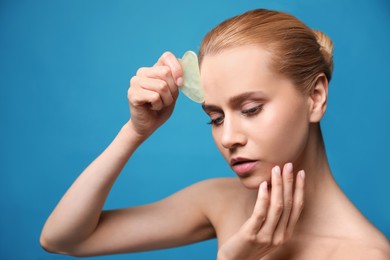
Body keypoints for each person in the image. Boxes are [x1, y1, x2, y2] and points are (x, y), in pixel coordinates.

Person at [40, 9, 389, 259]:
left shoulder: (366, 254)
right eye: (216, 117)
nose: (228, 138)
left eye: (251, 109)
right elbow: (63, 239)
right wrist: (134, 131)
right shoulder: (222, 201)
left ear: (315, 97)